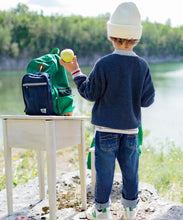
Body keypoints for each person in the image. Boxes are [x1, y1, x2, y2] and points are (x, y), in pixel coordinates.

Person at [60, 2, 155, 220]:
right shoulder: (142, 66)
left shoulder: (103, 64)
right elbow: (147, 100)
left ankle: (101, 211)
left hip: (105, 131)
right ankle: (130, 209)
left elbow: (90, 93)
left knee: (104, 173)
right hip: (131, 131)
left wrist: (75, 71)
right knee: (131, 171)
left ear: (111, 36)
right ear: (137, 38)